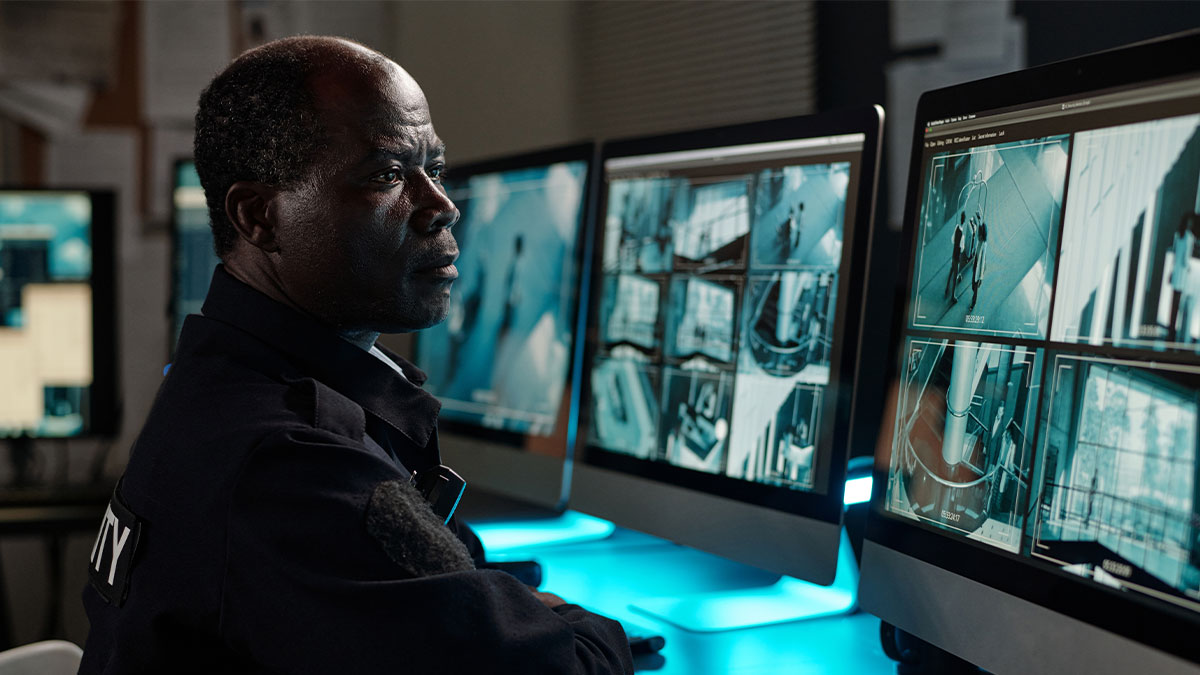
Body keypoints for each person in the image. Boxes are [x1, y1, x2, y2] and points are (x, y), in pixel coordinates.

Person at [79, 36, 633, 674]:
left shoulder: (225, 381)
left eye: (435, 170)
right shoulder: (287, 465)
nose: (443, 206)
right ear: (260, 216)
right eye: (387, 175)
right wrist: (571, 621)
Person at [968, 219, 988, 313]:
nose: (978, 236)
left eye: (980, 235)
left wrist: (981, 277)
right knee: (973, 286)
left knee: (975, 287)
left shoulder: (984, 245)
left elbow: (983, 261)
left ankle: (973, 303)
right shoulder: (979, 241)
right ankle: (974, 296)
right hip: (975, 265)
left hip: (979, 268)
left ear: (982, 236)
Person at [945, 211, 965, 303]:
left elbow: (952, 239)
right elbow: (962, 249)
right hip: (957, 257)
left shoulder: (956, 228)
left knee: (951, 270)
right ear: (964, 221)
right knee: (955, 274)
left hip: (953, 254)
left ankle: (946, 287)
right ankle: (953, 296)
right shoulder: (962, 235)